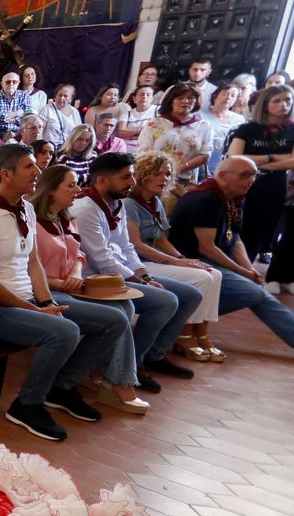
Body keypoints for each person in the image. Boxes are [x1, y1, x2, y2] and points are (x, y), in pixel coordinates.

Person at [0, 143, 125, 441]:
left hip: (28, 301)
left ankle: (60, 388)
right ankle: (27, 404)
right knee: (64, 332)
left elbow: (33, 262)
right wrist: (37, 311)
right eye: (29, 167)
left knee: (113, 320)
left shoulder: (25, 207)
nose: (38, 172)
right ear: (7, 174)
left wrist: (46, 300)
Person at [66, 153, 201, 383]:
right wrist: (141, 281)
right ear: (102, 181)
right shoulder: (86, 208)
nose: (132, 182)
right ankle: (131, 365)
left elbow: (126, 247)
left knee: (191, 295)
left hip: (117, 274)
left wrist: (144, 275)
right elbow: (102, 259)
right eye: (125, 177)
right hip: (96, 279)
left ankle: (153, 355)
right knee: (165, 301)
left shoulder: (117, 203)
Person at [30, 167, 152, 414]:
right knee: (115, 318)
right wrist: (59, 283)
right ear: (51, 189)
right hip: (44, 292)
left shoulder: (66, 217)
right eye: (71, 185)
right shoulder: (32, 220)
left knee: (125, 305)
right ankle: (81, 382)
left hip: (71, 286)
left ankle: (107, 372)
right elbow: (25, 267)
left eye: (77, 184)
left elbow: (79, 254)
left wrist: (75, 274)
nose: (78, 190)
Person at [168, 156, 294, 350]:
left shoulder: (234, 198)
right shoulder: (206, 198)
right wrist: (242, 272)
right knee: (253, 293)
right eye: (245, 175)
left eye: (253, 175)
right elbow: (206, 247)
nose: (251, 180)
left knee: (257, 291)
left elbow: (234, 240)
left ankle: (183, 316)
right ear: (223, 176)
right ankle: (179, 316)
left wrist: (249, 268)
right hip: (194, 261)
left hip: (212, 261)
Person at [127, 151, 225, 362]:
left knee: (213, 273)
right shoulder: (129, 203)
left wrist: (184, 258)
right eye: (159, 174)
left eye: (168, 174)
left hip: (155, 259)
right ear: (144, 175)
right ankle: (185, 336)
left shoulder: (155, 202)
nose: (165, 179)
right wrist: (176, 262)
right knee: (201, 278)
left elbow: (162, 240)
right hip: (137, 263)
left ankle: (202, 335)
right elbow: (138, 246)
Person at [226, 83, 294, 262]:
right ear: (265, 104)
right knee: (237, 225)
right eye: (277, 101)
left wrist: (255, 161)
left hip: (274, 184)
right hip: (243, 181)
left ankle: (247, 267)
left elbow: (293, 161)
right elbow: (234, 157)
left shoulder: (292, 130)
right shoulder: (247, 129)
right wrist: (275, 157)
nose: (284, 105)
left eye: (287, 100)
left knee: (262, 229)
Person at [137, 84, 209, 189]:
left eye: (190, 98)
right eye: (180, 98)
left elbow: (205, 155)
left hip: (186, 182)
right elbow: (143, 152)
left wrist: (175, 170)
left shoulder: (204, 126)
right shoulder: (154, 124)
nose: (185, 101)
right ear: (171, 101)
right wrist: (163, 172)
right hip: (154, 180)